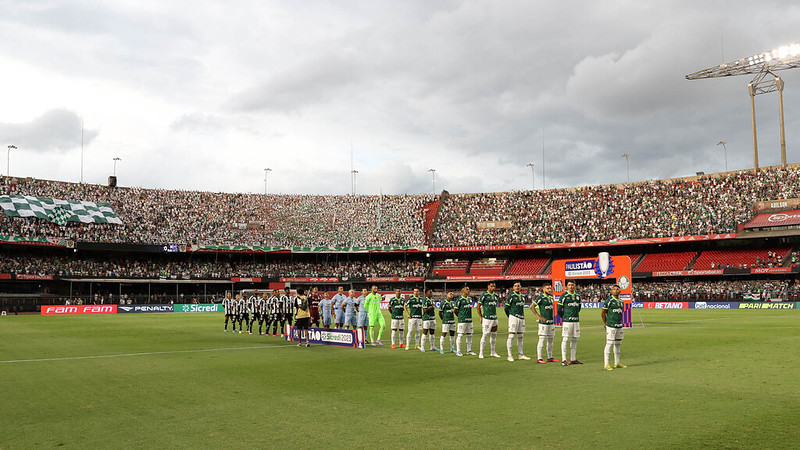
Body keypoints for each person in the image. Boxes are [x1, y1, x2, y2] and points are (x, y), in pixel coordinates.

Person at [531, 283, 558, 364]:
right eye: (547, 288)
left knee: (551, 340)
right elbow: (532, 307)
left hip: (551, 322)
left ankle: (550, 357)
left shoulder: (550, 297)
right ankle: (539, 358)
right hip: (543, 324)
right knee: (542, 340)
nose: (549, 290)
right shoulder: (541, 298)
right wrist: (539, 317)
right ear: (543, 289)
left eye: (550, 288)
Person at [602, 284, 627, 371]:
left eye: (617, 289)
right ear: (612, 291)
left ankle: (617, 363)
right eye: (614, 289)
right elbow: (603, 312)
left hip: (619, 325)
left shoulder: (620, 301)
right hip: (611, 325)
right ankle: (606, 364)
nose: (616, 290)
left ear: (620, 291)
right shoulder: (609, 300)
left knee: (618, 344)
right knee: (609, 344)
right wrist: (605, 323)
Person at [504, 282, 530, 361]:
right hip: (513, 317)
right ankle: (509, 355)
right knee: (511, 336)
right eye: (515, 286)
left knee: (520, 336)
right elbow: (506, 308)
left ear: (520, 287)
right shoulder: (511, 296)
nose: (517, 287)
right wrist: (510, 316)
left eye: (518, 286)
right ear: (513, 287)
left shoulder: (522, 296)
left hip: (521, 318)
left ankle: (520, 354)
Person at [559, 280, 582, 365]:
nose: (571, 286)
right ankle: (564, 360)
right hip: (567, 321)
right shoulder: (564, 296)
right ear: (566, 287)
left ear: (575, 286)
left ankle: (573, 359)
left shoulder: (578, 296)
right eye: (569, 285)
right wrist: (564, 317)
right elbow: (559, 310)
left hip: (576, 321)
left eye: (572, 285)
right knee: (565, 339)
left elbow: (578, 308)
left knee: (574, 339)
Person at [477, 282, 500, 359]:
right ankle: (481, 353)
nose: (493, 288)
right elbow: (478, 306)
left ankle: (493, 352)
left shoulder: (496, 295)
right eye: (491, 286)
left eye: (494, 286)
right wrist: (481, 317)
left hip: (494, 318)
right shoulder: (484, 295)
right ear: (488, 286)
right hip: (487, 318)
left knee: (494, 335)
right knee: (485, 335)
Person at [453, 286, 475, 356]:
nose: (469, 290)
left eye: (469, 289)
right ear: (463, 291)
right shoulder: (459, 300)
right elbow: (455, 310)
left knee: (469, 335)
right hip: (462, 320)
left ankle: (469, 350)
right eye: (467, 289)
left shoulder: (470, 299)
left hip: (469, 320)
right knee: (460, 335)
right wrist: (460, 316)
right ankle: (458, 351)